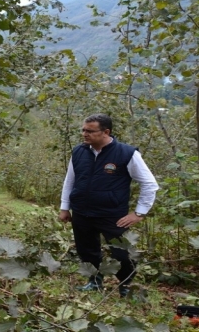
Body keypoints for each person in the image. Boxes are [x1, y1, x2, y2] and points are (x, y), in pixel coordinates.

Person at [59, 113, 158, 297]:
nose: (84, 134)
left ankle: (126, 286)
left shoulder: (126, 154)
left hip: (112, 214)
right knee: (87, 251)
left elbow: (149, 184)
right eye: (83, 130)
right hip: (82, 212)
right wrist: (65, 206)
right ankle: (94, 282)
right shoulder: (79, 151)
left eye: (90, 131)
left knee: (122, 254)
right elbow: (69, 180)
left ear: (106, 132)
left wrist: (139, 213)